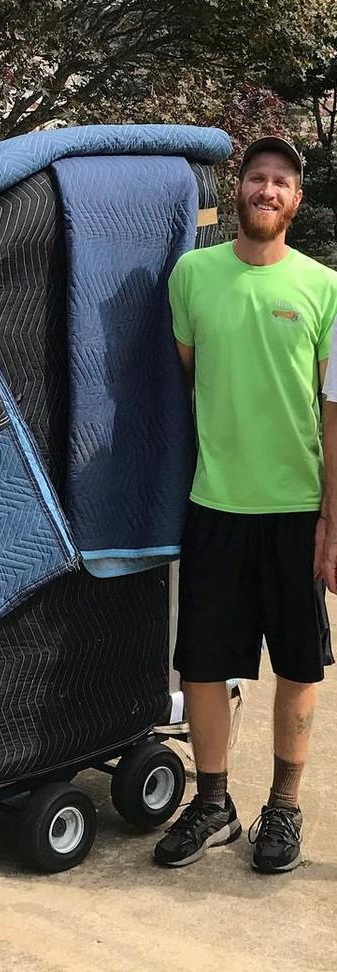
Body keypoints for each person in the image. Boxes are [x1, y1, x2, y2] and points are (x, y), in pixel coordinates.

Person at [154, 136, 337, 873]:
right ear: (239, 190)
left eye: (281, 182)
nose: (267, 190)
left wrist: (332, 518)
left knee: (299, 664)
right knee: (200, 663)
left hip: (295, 510)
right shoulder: (191, 275)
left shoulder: (325, 286)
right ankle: (213, 802)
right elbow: (190, 377)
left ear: (296, 201)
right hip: (215, 504)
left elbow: (332, 410)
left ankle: (283, 810)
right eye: (257, 178)